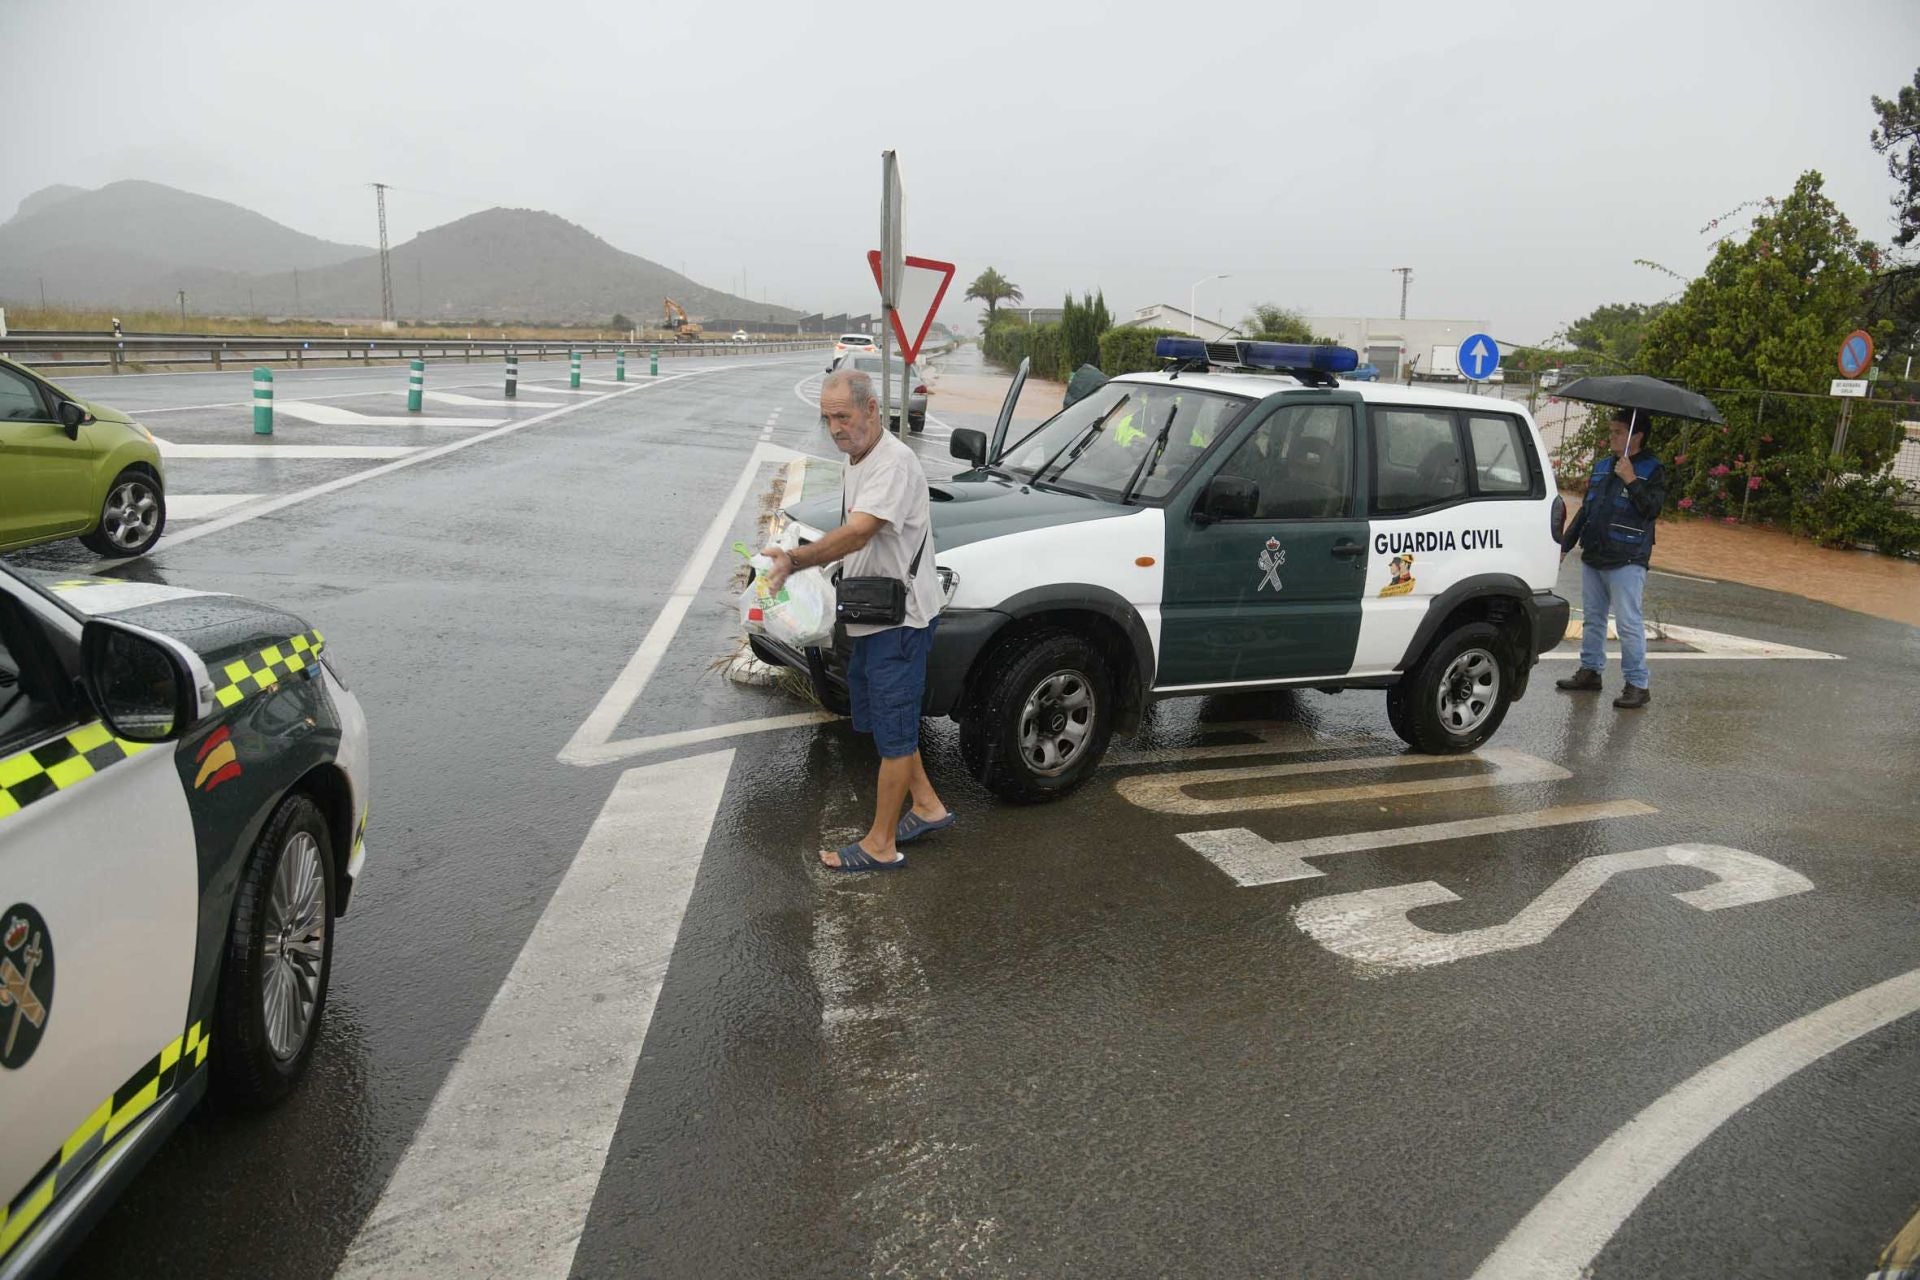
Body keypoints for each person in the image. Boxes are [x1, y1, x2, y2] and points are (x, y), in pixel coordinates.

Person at [760, 368, 952, 871]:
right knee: (887, 723)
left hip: (900, 623)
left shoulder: (893, 463)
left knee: (896, 736)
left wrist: (797, 561)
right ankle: (927, 806)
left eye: (843, 417)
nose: (835, 429)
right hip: (871, 614)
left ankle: (881, 845)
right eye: (827, 419)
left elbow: (860, 531)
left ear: (871, 409)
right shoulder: (858, 458)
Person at [1556, 407, 1667, 708]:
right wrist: (1565, 545)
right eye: (1612, 431)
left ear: (1636, 436)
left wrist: (1631, 480)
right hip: (1594, 554)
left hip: (1628, 558)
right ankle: (1590, 671)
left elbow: (1652, 509)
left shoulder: (1653, 469)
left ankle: (1637, 684)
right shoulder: (1604, 466)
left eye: (1618, 432)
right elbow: (1587, 509)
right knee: (1593, 618)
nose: (1612, 437)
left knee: (1629, 623)